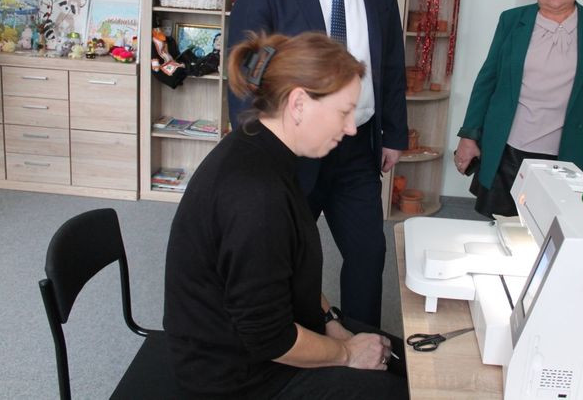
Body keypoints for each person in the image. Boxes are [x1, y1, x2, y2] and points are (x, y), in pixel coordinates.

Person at [164, 32, 409, 399]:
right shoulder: (256, 197)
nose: (351, 128)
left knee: (407, 360)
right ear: (298, 104)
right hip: (236, 376)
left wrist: (331, 322)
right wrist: (346, 352)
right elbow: (270, 338)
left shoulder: (262, 145)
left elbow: (290, 271)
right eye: (344, 112)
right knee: (398, 391)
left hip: (263, 338)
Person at [227, 0, 408, 327]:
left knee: (369, 252)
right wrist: (256, 154)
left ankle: (364, 342)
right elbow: (246, 77)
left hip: (356, 144)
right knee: (286, 254)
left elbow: (390, 60)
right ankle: (296, 343)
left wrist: (394, 132)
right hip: (291, 151)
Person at [454, 0, 583, 218]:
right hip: (508, 147)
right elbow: (487, 81)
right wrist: (469, 136)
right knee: (500, 224)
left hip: (565, 152)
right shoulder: (512, 20)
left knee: (551, 225)